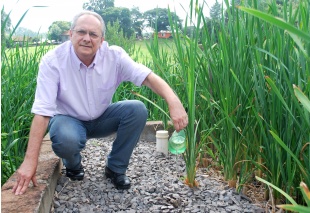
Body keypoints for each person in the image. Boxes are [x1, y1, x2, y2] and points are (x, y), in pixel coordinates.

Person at [12, 10, 188, 195]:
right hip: (68, 121)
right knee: (66, 138)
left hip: (101, 118)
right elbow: (42, 111)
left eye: (93, 34)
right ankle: (73, 164)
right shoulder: (52, 61)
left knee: (137, 110)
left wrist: (173, 101)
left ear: (101, 40)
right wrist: (31, 161)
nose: (87, 38)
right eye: (81, 32)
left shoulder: (114, 56)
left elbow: (147, 77)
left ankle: (115, 168)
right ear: (71, 34)